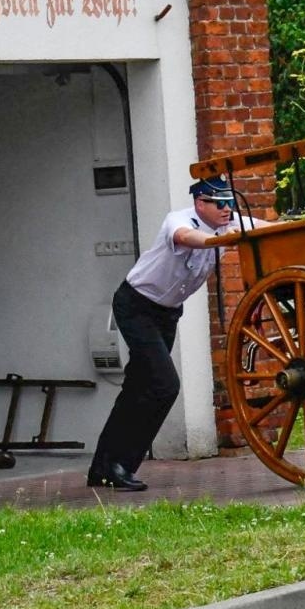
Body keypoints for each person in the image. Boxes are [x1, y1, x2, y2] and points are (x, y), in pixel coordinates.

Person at [87, 176, 265, 490]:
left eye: (230, 203)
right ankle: (121, 465)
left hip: (167, 312)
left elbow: (265, 227)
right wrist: (222, 240)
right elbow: (186, 237)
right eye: (219, 203)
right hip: (137, 305)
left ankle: (103, 468)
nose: (227, 209)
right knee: (163, 385)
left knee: (138, 387)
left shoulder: (229, 221)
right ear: (200, 203)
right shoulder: (180, 220)